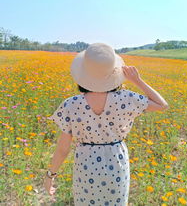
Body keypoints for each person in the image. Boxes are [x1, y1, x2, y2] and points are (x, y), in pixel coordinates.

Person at [43, 42, 169, 205]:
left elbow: (62, 149)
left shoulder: (71, 105)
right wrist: (137, 80)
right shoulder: (127, 99)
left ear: (83, 73)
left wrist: (50, 175)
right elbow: (162, 105)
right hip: (116, 163)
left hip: (85, 165)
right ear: (114, 73)